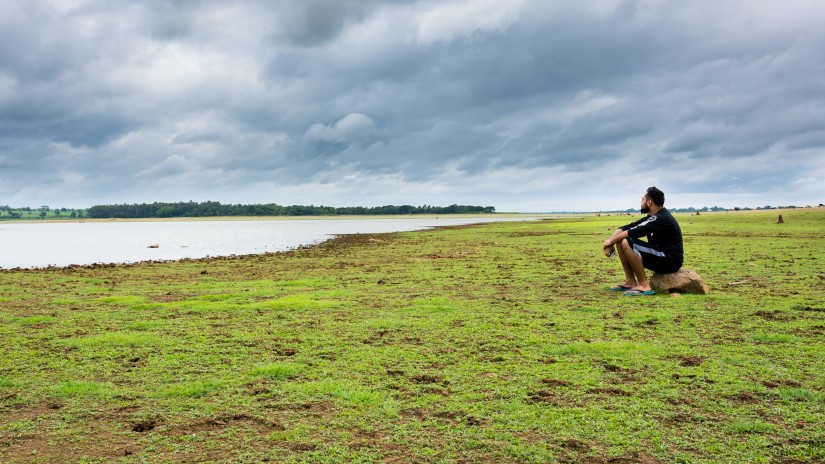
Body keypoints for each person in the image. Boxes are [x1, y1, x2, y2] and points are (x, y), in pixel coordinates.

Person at [602, 187, 683, 296]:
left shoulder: (661, 218)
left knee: (626, 241)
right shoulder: (652, 217)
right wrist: (611, 241)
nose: (641, 202)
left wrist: (609, 242)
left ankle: (644, 285)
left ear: (649, 202)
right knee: (621, 241)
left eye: (642, 199)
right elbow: (625, 227)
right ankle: (630, 281)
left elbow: (630, 232)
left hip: (670, 260)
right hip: (660, 256)